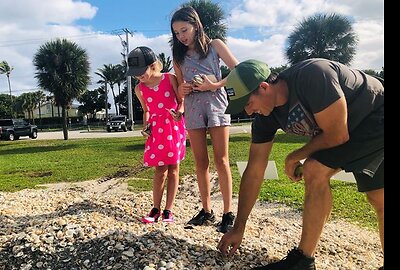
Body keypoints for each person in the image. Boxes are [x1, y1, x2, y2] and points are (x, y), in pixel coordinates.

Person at [216, 58, 384, 270]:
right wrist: (239, 226)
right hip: (353, 128)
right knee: (380, 198)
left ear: (264, 87)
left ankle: (302, 261)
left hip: (376, 113)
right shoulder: (265, 118)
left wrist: (294, 156)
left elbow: (337, 134)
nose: (248, 112)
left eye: (248, 104)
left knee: (315, 168)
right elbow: (254, 171)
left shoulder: (313, 75)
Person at [170, 6, 240, 233]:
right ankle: (207, 210)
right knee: (201, 163)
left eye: (184, 29)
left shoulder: (215, 45)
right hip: (192, 108)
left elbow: (238, 71)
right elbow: (179, 90)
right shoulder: (177, 56)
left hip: (217, 105)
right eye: (177, 33)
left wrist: (214, 84)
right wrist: (183, 89)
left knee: (222, 160)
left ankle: (228, 213)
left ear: (195, 24)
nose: (182, 36)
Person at [126, 46, 187, 224]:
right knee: (160, 170)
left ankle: (169, 209)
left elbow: (181, 101)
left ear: (153, 65)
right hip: (156, 131)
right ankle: (155, 208)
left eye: (141, 72)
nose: (139, 76)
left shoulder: (170, 79)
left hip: (173, 127)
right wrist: (146, 126)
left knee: (174, 169)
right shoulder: (140, 89)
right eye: (135, 74)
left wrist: (180, 111)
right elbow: (146, 110)